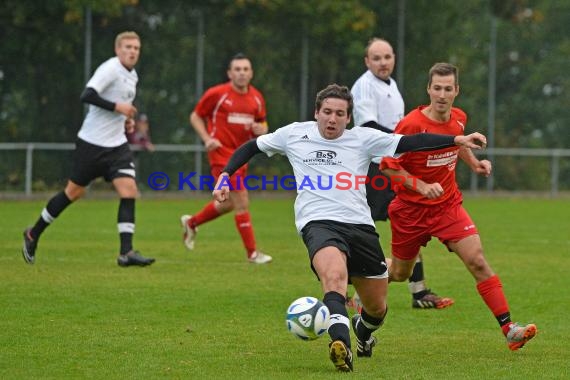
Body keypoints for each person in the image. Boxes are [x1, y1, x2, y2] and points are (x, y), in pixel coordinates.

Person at [211, 84, 487, 371]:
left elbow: (411, 143)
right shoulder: (294, 134)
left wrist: (456, 139)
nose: (332, 119)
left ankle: (362, 331)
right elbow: (250, 147)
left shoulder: (363, 139)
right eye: (327, 112)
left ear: (348, 118)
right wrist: (225, 176)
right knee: (334, 277)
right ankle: (339, 345)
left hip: (360, 227)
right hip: (318, 223)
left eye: (339, 114)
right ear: (316, 113)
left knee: (377, 308)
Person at [381, 63, 537, 350]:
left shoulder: (460, 119)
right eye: (437, 88)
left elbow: (457, 145)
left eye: (448, 89)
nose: (442, 94)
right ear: (428, 89)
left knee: (477, 259)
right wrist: (421, 186)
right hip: (410, 211)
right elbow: (388, 167)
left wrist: (475, 164)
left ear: (456, 91)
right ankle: (361, 274)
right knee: (400, 274)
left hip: (447, 207)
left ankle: (509, 329)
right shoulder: (411, 125)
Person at [21, 31, 155, 267]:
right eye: (128, 47)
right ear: (117, 49)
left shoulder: (131, 74)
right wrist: (118, 108)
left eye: (136, 48)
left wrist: (125, 120)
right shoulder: (110, 69)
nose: (133, 51)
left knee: (129, 189)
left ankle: (127, 252)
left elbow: (120, 108)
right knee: (73, 193)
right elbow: (87, 95)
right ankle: (34, 233)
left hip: (116, 145)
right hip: (92, 144)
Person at [351, 37, 453, 309]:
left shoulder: (390, 85)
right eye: (376, 58)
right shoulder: (364, 87)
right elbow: (369, 126)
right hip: (377, 166)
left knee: (409, 224)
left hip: (394, 162)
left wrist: (404, 144)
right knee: (368, 227)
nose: (383, 63)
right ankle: (353, 281)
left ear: (394, 57)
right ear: (367, 61)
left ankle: (417, 292)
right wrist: (405, 141)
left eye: (387, 57)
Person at [181, 53, 272, 264]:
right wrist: (206, 138)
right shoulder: (217, 94)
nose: (241, 73)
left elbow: (263, 124)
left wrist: (262, 128)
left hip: (243, 155)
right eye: (237, 69)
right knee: (241, 200)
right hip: (221, 154)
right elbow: (195, 116)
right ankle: (252, 254)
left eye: (245, 69)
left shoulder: (257, 98)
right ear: (230, 73)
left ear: (251, 73)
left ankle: (192, 223)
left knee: (228, 203)